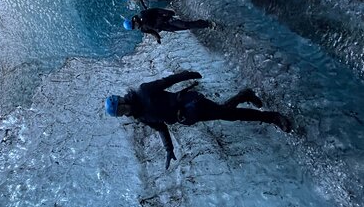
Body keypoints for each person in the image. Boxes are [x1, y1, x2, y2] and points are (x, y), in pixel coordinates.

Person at [105, 71, 292, 169]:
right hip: (188, 117)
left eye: (121, 111)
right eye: (120, 115)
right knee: (225, 112)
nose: (124, 115)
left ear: (122, 102)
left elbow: (167, 81)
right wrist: (169, 149)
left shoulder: (143, 91)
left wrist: (187, 74)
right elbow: (161, 127)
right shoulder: (140, 116)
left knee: (228, 115)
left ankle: (272, 117)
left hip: (190, 103)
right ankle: (244, 95)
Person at [123, 8, 211, 44]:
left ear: (133, 22)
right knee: (186, 27)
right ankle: (201, 23)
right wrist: (158, 38)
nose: (135, 28)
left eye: (134, 26)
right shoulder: (143, 29)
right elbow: (152, 32)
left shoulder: (143, 14)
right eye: (133, 28)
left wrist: (166, 12)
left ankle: (207, 24)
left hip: (167, 19)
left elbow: (156, 10)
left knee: (185, 25)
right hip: (167, 27)